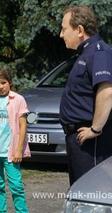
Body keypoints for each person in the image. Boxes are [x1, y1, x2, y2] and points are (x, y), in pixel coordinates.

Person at [59, 5, 112, 185]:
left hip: (91, 141)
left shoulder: (98, 52)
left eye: (64, 29)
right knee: (79, 193)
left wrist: (95, 129)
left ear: (80, 30)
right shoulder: (85, 54)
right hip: (79, 140)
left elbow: (107, 92)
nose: (61, 34)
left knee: (91, 192)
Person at [0, 68, 30, 213]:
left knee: (16, 186)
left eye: (4, 82)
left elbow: (22, 125)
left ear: (10, 83)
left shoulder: (18, 99)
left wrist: (19, 150)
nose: (1, 86)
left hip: (11, 152)